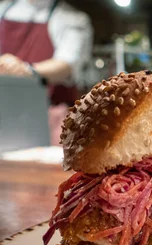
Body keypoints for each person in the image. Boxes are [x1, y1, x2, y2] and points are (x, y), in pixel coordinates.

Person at [0, 0, 93, 145]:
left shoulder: (71, 18)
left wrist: (25, 70)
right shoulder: (3, 9)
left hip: (51, 115)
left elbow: (67, 64)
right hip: (5, 112)